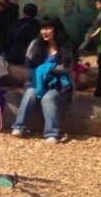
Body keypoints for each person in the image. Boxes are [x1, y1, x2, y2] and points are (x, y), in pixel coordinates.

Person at [12, 14, 76, 143]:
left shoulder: (68, 45)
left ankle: (51, 133)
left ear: (56, 29)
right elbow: (29, 67)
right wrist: (42, 73)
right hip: (36, 81)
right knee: (30, 93)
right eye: (42, 28)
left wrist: (47, 69)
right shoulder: (35, 44)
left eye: (47, 28)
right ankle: (19, 126)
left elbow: (66, 67)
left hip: (60, 84)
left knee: (48, 97)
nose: (44, 32)